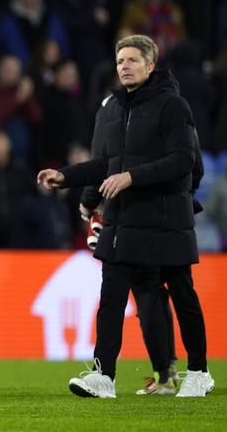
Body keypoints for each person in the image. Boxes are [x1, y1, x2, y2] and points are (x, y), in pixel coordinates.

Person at [37, 34, 213, 398]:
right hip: (123, 219)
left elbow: (183, 161)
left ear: (150, 65)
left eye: (132, 60)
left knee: (183, 295)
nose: (125, 67)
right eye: (120, 61)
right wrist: (65, 177)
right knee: (111, 298)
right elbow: (104, 163)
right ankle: (104, 375)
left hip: (166, 217)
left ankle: (199, 371)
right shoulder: (112, 108)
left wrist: (131, 177)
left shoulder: (173, 105)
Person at [81, 123, 213, 396]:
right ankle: (181, 372)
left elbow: (107, 162)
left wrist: (91, 199)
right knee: (167, 294)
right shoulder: (168, 111)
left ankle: (177, 373)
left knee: (157, 293)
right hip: (154, 220)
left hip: (144, 221)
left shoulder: (117, 112)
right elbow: (195, 168)